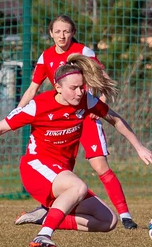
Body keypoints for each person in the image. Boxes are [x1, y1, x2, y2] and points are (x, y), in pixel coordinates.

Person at [0, 54, 152, 247]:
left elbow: (116, 119)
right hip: (36, 168)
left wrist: (139, 147)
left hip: (61, 174)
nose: (79, 92)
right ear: (58, 87)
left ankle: (46, 217)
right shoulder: (38, 106)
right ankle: (44, 235)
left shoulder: (86, 101)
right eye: (74, 88)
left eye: (82, 87)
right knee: (78, 186)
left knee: (108, 221)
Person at [13, 14, 139, 229]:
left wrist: (100, 103)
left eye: (66, 31)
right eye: (58, 31)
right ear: (51, 33)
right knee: (59, 166)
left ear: (73, 32)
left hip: (85, 115)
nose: (62, 36)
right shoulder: (46, 56)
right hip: (61, 118)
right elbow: (33, 88)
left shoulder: (83, 52)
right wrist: (17, 112)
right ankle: (47, 213)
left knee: (100, 166)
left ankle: (125, 215)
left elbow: (103, 80)